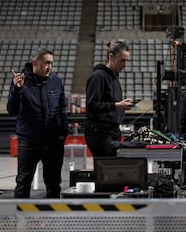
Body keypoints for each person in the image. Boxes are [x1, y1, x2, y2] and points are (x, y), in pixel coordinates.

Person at [7, 48, 69, 198]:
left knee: (54, 183)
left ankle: (52, 220)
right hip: (29, 141)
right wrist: (17, 90)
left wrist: (63, 133)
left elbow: (62, 109)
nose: (49, 67)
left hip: (53, 141)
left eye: (51, 63)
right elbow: (12, 110)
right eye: (46, 63)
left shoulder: (56, 81)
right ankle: (21, 220)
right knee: (23, 182)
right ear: (35, 62)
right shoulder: (20, 81)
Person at [84, 41, 135, 158]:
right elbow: (92, 105)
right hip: (100, 133)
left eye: (127, 61)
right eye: (122, 60)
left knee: (112, 169)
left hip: (112, 131)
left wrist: (120, 105)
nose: (125, 64)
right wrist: (117, 105)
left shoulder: (114, 77)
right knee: (106, 169)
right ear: (111, 57)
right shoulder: (99, 77)